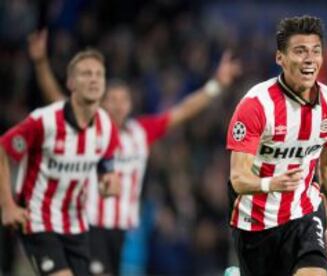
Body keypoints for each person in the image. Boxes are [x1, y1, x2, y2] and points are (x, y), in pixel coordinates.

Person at [28, 29, 241, 275]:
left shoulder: (141, 131)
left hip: (120, 229)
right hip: (90, 224)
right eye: (112, 99)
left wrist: (216, 84)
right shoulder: (91, 128)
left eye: (123, 100)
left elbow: (182, 111)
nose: (118, 105)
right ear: (102, 102)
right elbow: (57, 100)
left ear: (131, 104)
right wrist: (41, 62)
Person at [226, 15, 327, 276]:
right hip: (255, 221)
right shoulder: (256, 106)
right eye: (300, 51)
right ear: (279, 58)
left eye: (316, 51)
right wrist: (272, 183)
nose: (309, 59)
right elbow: (238, 178)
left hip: (304, 213)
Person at [0, 48, 120, 276]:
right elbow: (3, 149)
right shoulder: (44, 121)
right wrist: (7, 205)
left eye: (99, 74)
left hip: (76, 225)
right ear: (71, 83)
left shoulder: (106, 126)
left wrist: (109, 183)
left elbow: (107, 168)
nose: (94, 79)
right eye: (86, 74)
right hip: (38, 220)